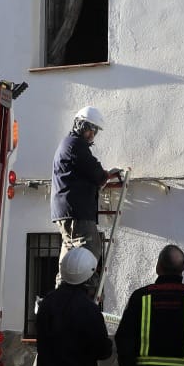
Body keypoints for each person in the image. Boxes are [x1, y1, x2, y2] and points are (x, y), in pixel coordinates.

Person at [51, 106, 112, 293]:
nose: (92, 135)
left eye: (95, 131)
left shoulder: (68, 144)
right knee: (88, 253)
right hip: (77, 212)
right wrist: (105, 175)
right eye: (89, 129)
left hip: (66, 212)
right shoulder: (76, 145)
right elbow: (96, 172)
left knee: (69, 256)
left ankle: (61, 296)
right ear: (79, 125)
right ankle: (84, 296)